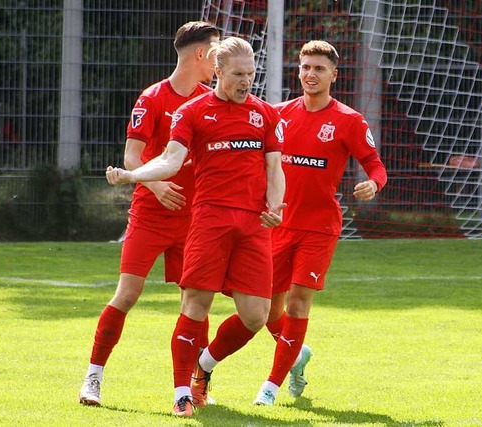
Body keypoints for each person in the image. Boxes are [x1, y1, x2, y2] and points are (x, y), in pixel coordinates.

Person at [106, 36, 286, 417]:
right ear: (217, 71)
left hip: (253, 226)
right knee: (195, 306)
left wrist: (275, 206)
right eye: (238, 74)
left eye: (251, 74)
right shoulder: (191, 112)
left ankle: (204, 367)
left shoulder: (266, 114)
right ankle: (181, 392)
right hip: (209, 221)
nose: (246, 81)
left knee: (256, 316)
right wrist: (132, 175)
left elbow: (275, 169)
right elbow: (171, 161)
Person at [78, 21, 220, 407]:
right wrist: (156, 185)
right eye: (216, 52)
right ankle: (93, 377)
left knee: (196, 302)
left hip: (195, 219)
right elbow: (131, 157)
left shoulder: (211, 101)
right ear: (200, 54)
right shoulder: (153, 98)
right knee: (127, 293)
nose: (220, 62)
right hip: (151, 215)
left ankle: (195, 384)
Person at [252, 40, 388, 406]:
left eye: (319, 69)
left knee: (298, 305)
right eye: (306, 67)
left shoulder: (349, 120)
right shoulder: (277, 114)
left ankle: (271, 387)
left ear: (333, 75)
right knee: (267, 312)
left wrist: (373, 184)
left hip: (319, 228)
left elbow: (375, 165)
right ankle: (297, 355)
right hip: (278, 224)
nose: (311, 74)